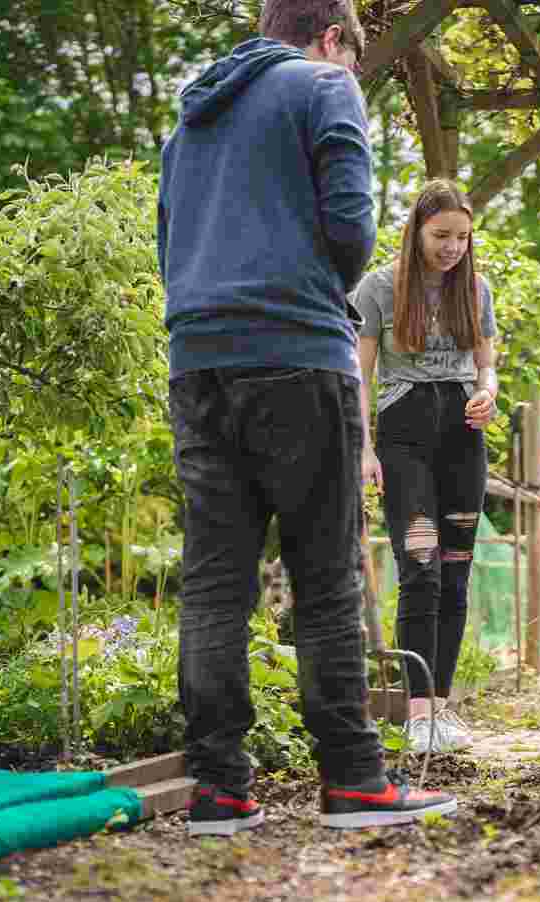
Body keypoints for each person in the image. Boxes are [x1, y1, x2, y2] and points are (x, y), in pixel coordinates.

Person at [157, 0, 455, 836]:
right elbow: (352, 230)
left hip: (198, 363)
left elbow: (167, 243)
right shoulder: (324, 86)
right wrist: (309, 294)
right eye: (352, 55)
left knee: (215, 580)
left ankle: (218, 790)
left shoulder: (191, 116)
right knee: (325, 575)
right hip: (295, 356)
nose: (351, 70)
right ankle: (354, 781)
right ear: (331, 38)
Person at [352, 180, 498, 755]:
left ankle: (441, 707)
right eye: (441, 235)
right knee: (420, 568)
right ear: (416, 231)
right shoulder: (378, 289)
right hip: (404, 439)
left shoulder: (476, 289)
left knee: (456, 574)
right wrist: (364, 447)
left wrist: (487, 391)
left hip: (463, 440)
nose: (452, 247)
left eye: (462, 237)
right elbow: (359, 375)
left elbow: (487, 365)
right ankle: (417, 716)